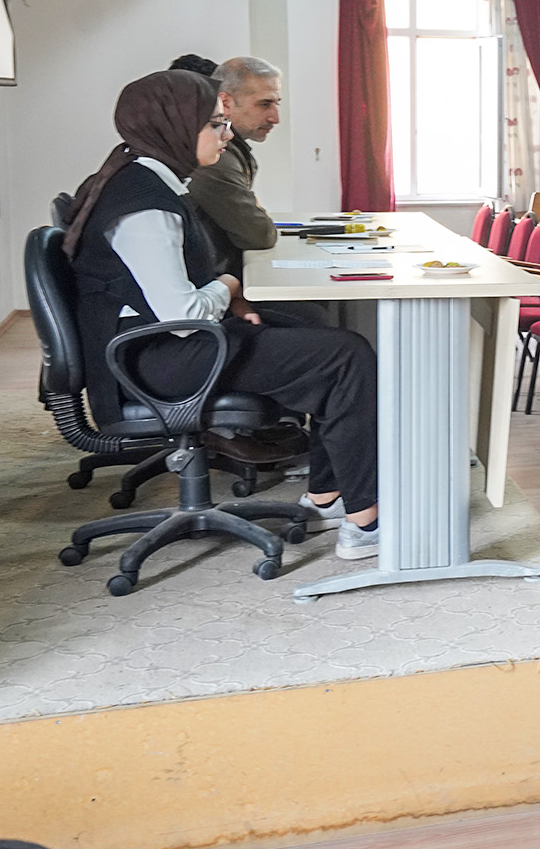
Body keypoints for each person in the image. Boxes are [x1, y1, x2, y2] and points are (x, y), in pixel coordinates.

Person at [63, 71, 381, 559]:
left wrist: (231, 299)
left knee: (316, 331)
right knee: (347, 356)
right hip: (157, 357)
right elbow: (184, 313)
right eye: (214, 123)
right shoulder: (146, 206)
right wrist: (230, 285)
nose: (226, 133)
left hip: (151, 345)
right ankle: (365, 522)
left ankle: (328, 496)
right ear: (174, 125)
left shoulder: (144, 180)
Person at [182, 55, 281, 277]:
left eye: (277, 104)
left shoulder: (232, 150)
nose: (275, 118)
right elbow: (258, 234)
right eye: (264, 104)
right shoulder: (213, 158)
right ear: (225, 103)